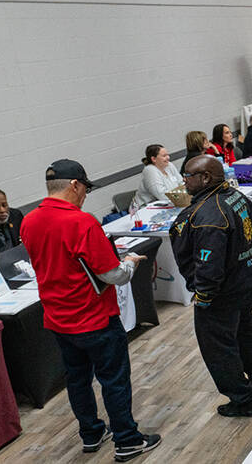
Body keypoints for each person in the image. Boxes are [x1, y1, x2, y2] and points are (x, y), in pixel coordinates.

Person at [21, 159, 160, 461]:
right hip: (95, 318)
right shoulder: (81, 222)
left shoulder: (28, 220)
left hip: (58, 319)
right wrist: (130, 263)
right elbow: (113, 275)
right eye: (84, 188)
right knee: (114, 380)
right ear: (74, 185)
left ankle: (91, 433)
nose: (85, 195)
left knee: (77, 379)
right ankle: (127, 440)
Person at [171, 155, 252, 418]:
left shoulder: (207, 217)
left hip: (221, 294)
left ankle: (243, 400)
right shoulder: (235, 196)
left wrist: (204, 297)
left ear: (205, 178)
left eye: (187, 176)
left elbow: (209, 266)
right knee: (246, 333)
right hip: (246, 284)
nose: (183, 181)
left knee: (219, 347)